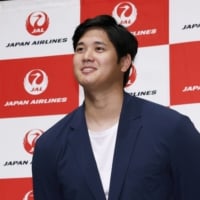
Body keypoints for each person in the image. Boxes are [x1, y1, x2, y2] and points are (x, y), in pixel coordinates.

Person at [32, 15, 200, 200]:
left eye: (99, 48)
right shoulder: (50, 145)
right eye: (80, 49)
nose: (87, 56)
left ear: (124, 62)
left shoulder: (172, 129)